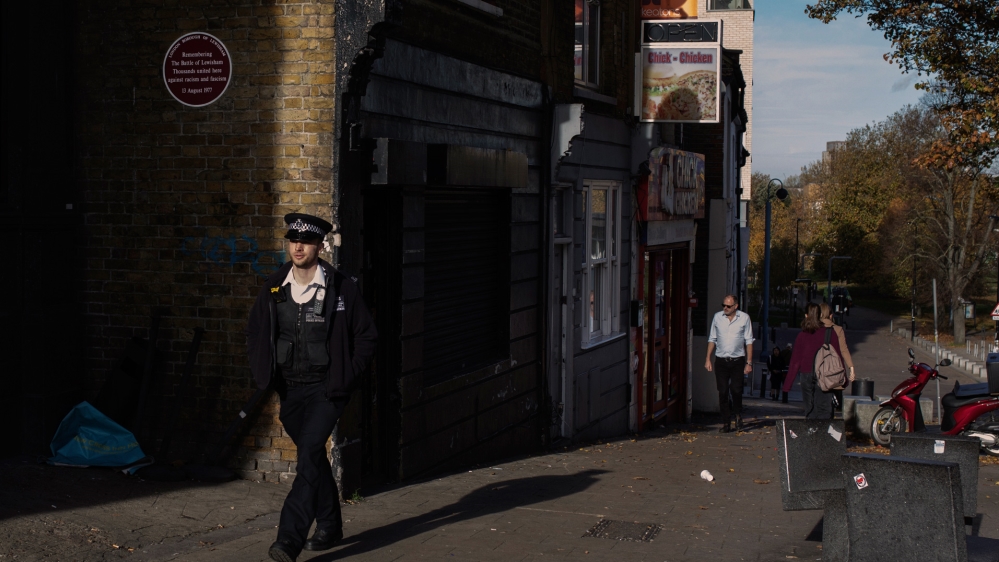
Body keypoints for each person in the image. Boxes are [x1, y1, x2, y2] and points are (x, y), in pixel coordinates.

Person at [246, 213, 378, 562]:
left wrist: (349, 374)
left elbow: (366, 336)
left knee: (307, 456)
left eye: (305, 242)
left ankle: (288, 539)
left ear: (320, 246)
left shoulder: (342, 288)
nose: (298, 246)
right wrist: (265, 371)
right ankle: (331, 526)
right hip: (290, 389)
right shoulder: (275, 287)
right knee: (314, 458)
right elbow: (256, 332)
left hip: (326, 389)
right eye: (293, 240)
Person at [783, 303, 845, 419]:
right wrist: (842, 378)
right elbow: (838, 358)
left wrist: (787, 384)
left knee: (810, 408)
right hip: (825, 374)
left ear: (806, 316)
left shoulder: (802, 335)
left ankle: (812, 433)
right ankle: (824, 434)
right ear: (820, 315)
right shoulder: (830, 334)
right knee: (824, 408)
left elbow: (795, 362)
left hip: (806, 374)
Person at [705, 294, 754, 433]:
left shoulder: (744, 318)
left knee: (736, 389)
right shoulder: (717, 317)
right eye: (723, 305)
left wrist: (749, 363)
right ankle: (726, 422)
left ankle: (738, 414)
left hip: (738, 360)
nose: (725, 308)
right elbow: (712, 338)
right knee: (723, 391)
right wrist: (708, 358)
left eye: (728, 306)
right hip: (721, 360)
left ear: (735, 306)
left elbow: (749, 341)